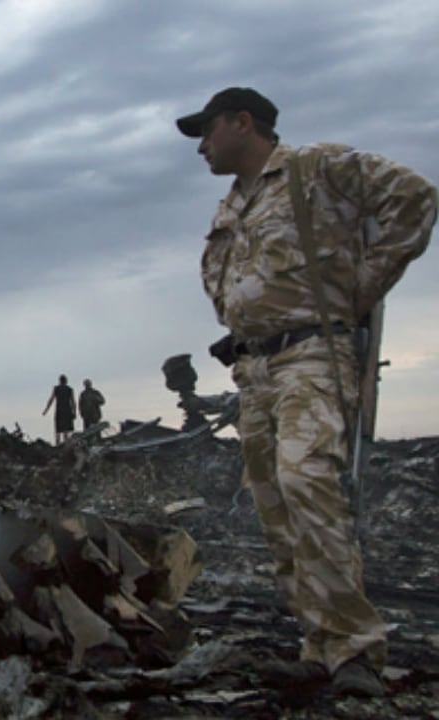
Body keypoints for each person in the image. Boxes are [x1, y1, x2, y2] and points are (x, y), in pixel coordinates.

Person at [177, 87, 436, 698]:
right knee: (276, 506)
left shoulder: (316, 169)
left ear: (244, 123)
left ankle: (355, 649)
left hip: (311, 357)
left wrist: (359, 291)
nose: (201, 146)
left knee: (308, 484)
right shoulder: (232, 205)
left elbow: (415, 199)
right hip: (256, 371)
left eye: (207, 131)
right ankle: (318, 646)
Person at [41, 374, 75, 445]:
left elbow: (51, 400)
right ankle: (66, 444)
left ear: (59, 381)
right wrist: (74, 412)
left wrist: (46, 410)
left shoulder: (56, 389)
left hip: (59, 411)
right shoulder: (69, 389)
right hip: (67, 411)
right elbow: (73, 402)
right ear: (66, 381)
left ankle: (58, 444)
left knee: (58, 430)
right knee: (66, 431)